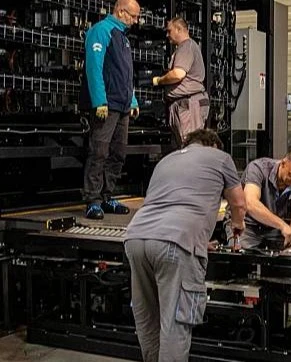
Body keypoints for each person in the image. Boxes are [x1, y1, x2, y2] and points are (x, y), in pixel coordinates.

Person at [124, 129, 246, 362]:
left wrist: (198, 242)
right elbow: (239, 203)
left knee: (148, 320)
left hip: (136, 237)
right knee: (174, 324)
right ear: (213, 145)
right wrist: (237, 226)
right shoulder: (221, 158)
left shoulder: (166, 161)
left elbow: (168, 202)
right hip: (175, 243)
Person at [80, 0, 140, 220]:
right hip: (107, 105)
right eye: (133, 16)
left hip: (122, 105)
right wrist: (99, 101)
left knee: (118, 153)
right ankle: (93, 200)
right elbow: (93, 67)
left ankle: (107, 196)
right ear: (121, 11)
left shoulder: (122, 37)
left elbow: (126, 74)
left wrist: (132, 100)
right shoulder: (101, 31)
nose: (136, 21)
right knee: (99, 152)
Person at [226, 148, 291, 249]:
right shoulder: (258, 168)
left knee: (285, 258)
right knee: (242, 259)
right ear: (283, 163)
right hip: (245, 226)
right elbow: (251, 204)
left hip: (272, 229)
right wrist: (283, 225)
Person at [152, 17, 209, 148]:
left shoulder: (186, 46)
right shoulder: (187, 47)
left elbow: (178, 74)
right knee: (185, 148)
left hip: (189, 105)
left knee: (190, 147)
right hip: (185, 104)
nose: (167, 35)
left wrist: (159, 80)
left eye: (169, 31)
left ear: (179, 29)